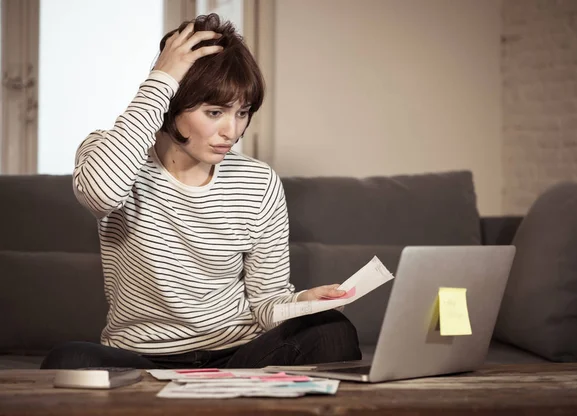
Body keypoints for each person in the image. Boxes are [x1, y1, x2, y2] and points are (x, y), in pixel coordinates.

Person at [41, 14, 361, 370]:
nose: (232, 130)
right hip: (141, 359)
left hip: (236, 355)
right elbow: (101, 194)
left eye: (242, 113)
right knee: (70, 360)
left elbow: (266, 302)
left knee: (332, 331)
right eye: (215, 112)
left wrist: (303, 301)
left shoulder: (258, 181)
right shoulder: (109, 154)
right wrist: (162, 77)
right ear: (172, 103)